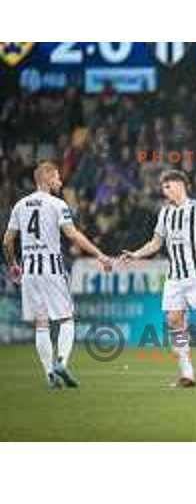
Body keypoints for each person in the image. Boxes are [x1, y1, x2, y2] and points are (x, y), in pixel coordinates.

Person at [2, 161, 113, 390]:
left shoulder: (20, 205)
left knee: (41, 323)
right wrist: (99, 254)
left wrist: (13, 264)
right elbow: (72, 235)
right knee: (67, 318)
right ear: (48, 178)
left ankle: (49, 375)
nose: (60, 181)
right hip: (51, 268)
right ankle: (61, 361)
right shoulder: (56, 204)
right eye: (57, 178)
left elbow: (7, 240)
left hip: (30, 271)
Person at [121, 170, 196, 388]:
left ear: (180, 185)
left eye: (167, 186)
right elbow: (156, 243)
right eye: (163, 187)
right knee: (173, 321)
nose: (164, 191)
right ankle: (187, 373)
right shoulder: (165, 213)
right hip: (175, 278)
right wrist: (135, 254)